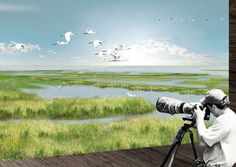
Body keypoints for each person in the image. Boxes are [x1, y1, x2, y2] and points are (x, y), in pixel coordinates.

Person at [194, 89, 236, 167]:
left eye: (208, 107)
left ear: (214, 106)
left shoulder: (223, 120)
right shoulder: (232, 114)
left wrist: (199, 118)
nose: (208, 110)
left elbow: (202, 143)